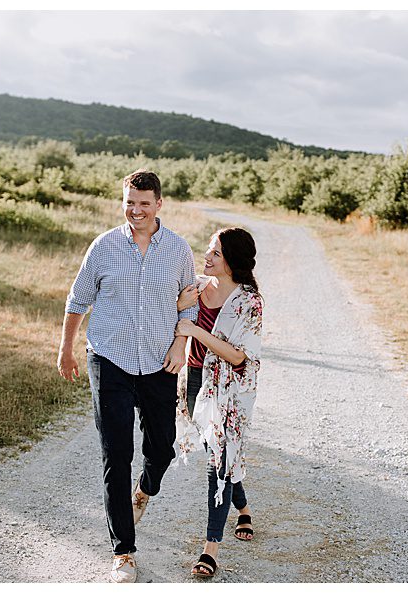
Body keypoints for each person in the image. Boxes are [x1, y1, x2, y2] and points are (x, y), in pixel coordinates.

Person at [58, 169, 198, 583]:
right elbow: (78, 300)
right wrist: (65, 349)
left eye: (144, 203)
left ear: (159, 204)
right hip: (109, 359)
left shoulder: (178, 250)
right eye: (130, 203)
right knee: (116, 454)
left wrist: (180, 344)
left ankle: (145, 490)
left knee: (162, 449)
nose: (136, 211)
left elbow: (189, 303)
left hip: (159, 361)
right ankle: (123, 551)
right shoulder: (103, 246)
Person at [172, 227, 264, 579]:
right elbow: (169, 317)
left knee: (219, 460)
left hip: (229, 389)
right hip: (194, 380)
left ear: (232, 262)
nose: (207, 256)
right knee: (220, 452)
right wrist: (178, 308)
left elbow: (239, 356)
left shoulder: (249, 302)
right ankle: (244, 508)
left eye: (216, 253)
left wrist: (196, 331)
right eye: (209, 249)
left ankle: (210, 548)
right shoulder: (195, 288)